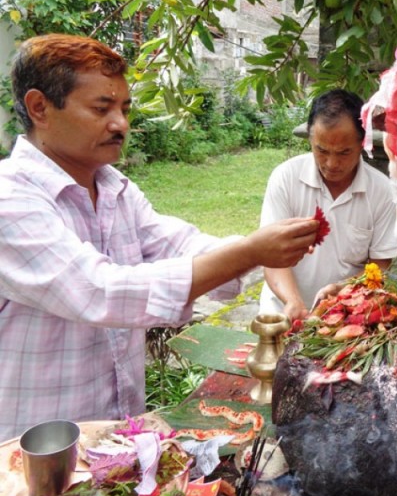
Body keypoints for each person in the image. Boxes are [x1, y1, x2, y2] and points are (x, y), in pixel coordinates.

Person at [0, 34, 320, 440]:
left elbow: (179, 244)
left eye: (124, 108)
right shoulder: (9, 199)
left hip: (119, 439)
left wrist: (262, 247)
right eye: (102, 108)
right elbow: (98, 291)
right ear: (40, 108)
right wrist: (249, 250)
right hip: (33, 454)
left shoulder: (116, 191)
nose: (120, 123)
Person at [259, 89, 397, 321]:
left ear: (362, 142)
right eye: (321, 150)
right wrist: (293, 302)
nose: (332, 163)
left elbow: (380, 265)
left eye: (344, 152)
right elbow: (270, 254)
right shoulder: (285, 178)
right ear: (310, 139)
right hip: (282, 314)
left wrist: (344, 291)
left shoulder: (382, 191)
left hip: (345, 316)